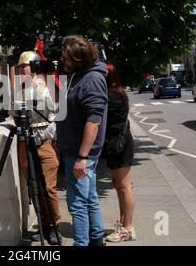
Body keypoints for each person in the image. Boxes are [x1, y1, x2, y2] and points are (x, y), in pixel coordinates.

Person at [56, 35, 108, 246]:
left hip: (80, 154)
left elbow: (93, 122)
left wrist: (81, 157)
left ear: (78, 59)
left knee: (77, 204)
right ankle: (96, 239)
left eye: (65, 57)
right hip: (76, 152)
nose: (62, 60)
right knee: (90, 198)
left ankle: (82, 243)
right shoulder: (80, 75)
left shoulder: (92, 79)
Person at [16, 50, 62, 245]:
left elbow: (56, 115)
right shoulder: (18, 90)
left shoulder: (46, 87)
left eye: (24, 66)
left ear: (34, 67)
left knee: (48, 188)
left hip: (43, 142)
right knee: (33, 186)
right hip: (24, 143)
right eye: (19, 67)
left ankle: (55, 226)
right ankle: (44, 225)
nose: (20, 70)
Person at [102, 63, 136, 242]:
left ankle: (128, 228)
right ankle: (123, 224)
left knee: (124, 186)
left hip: (120, 144)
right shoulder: (115, 92)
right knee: (118, 185)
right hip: (117, 143)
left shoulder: (113, 95)